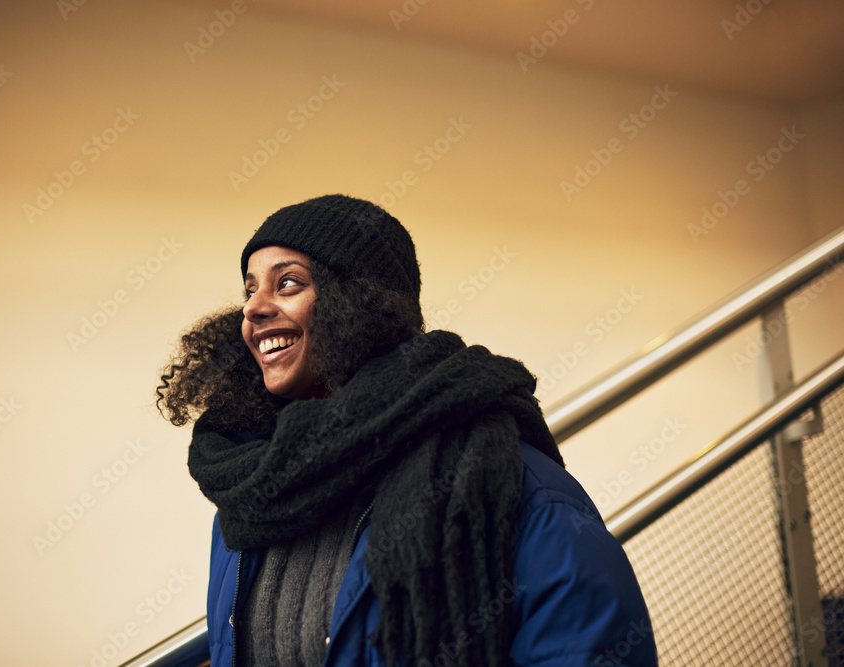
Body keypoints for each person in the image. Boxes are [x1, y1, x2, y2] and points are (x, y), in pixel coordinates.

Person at [158, 194, 658, 667]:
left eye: (287, 283)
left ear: (355, 303)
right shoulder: (250, 491)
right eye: (250, 288)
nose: (253, 308)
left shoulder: (503, 484)